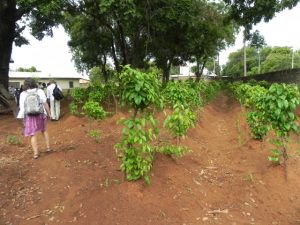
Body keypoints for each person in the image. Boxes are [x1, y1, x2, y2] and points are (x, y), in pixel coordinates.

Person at [17, 78, 52, 159]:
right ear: (34, 83)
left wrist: (22, 118)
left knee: (32, 134)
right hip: (40, 114)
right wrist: (49, 113)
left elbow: (22, 107)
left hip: (29, 116)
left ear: (25, 84)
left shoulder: (23, 94)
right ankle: (48, 147)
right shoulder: (39, 91)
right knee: (44, 130)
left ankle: (36, 153)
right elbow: (45, 103)